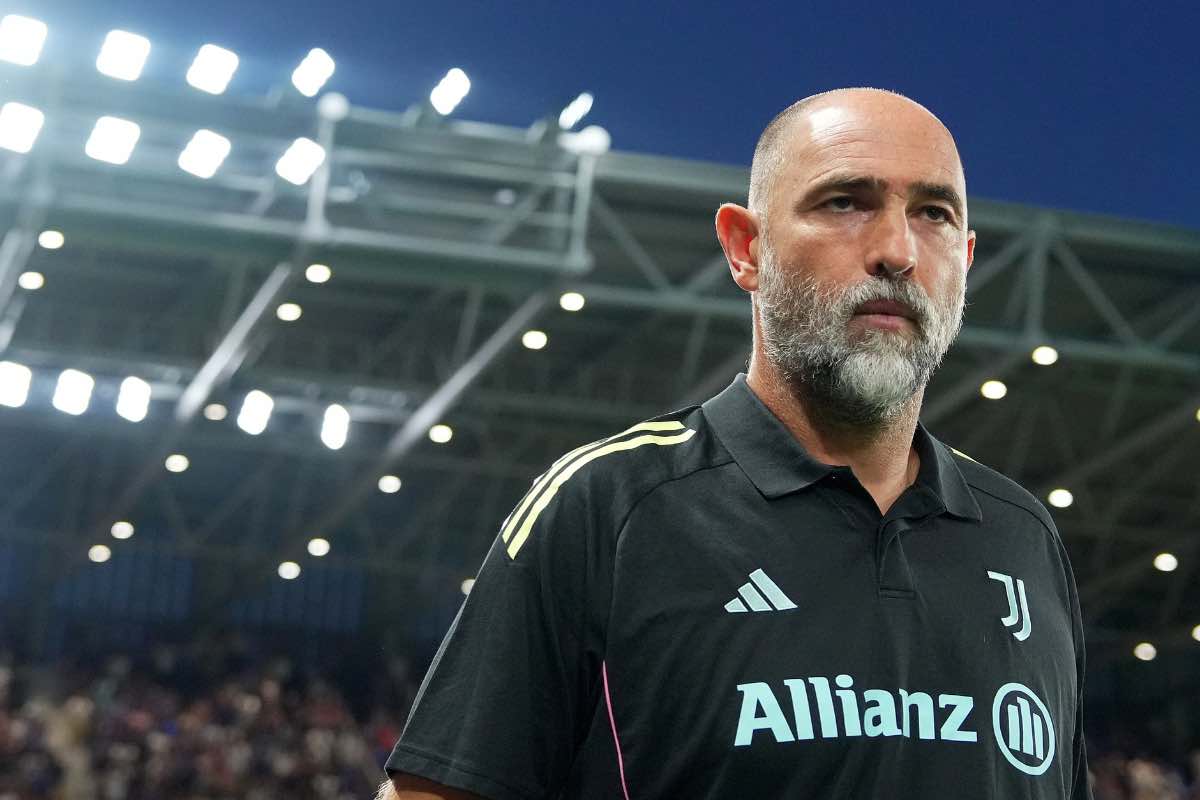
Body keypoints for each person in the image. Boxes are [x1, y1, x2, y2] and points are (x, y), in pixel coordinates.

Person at [381, 87, 1091, 799]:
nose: (897, 251)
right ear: (746, 248)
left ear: (965, 258)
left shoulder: (1021, 536)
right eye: (845, 202)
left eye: (934, 214)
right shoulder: (610, 508)